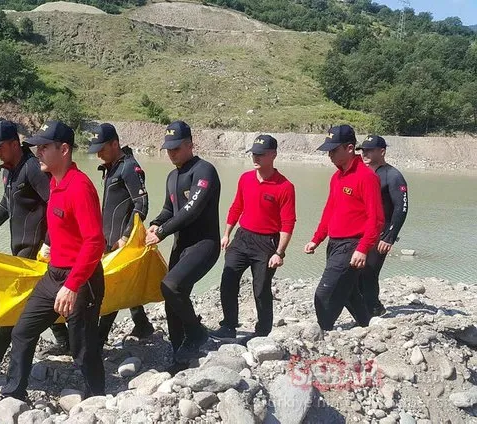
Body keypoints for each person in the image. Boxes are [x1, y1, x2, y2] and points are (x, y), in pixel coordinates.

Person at [1, 120, 106, 401]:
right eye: (37, 147)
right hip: (53, 275)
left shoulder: (79, 187)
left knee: (82, 347)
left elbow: (95, 242)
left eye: (44, 147)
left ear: (64, 149)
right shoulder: (55, 184)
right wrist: (48, 245)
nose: (38, 152)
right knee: (22, 332)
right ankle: (14, 394)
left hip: (81, 280)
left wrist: (72, 286)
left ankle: (98, 397)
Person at [0, 120, 70, 383]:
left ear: (14, 143)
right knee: (40, 301)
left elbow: (56, 204)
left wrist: (49, 243)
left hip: (35, 252)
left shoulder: (33, 168)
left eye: (0, 147)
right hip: (19, 249)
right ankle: (68, 342)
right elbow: (6, 204)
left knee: (12, 307)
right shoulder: (8, 171)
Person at [146, 120, 221, 370]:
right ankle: (179, 355)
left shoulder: (204, 171)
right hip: (182, 245)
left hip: (204, 244)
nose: (171, 153)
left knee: (171, 285)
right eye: (168, 149)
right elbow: (170, 209)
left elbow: (193, 209)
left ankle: (197, 333)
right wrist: (157, 223)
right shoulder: (172, 176)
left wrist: (164, 232)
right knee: (172, 300)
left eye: (176, 148)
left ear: (190, 144)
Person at [210, 135, 296, 341]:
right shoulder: (245, 178)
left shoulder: (285, 186)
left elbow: (288, 223)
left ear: (273, 155)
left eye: (260, 154)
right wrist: (226, 234)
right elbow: (236, 207)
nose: (255, 157)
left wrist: (279, 253)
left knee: (261, 289)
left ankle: (263, 331)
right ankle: (229, 325)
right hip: (242, 238)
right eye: (253, 153)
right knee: (228, 280)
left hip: (267, 243)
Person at [304, 125, 383, 331]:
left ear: (349, 148)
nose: (329, 155)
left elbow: (376, 218)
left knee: (324, 293)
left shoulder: (366, 177)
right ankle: (367, 326)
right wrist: (317, 238)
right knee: (348, 290)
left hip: (352, 245)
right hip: (335, 243)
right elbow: (329, 210)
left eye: (333, 150)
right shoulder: (337, 177)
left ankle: (323, 332)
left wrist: (363, 248)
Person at [88, 123, 155, 345]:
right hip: (107, 238)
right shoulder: (111, 166)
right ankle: (143, 325)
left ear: (115, 144)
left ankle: (99, 337)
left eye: (102, 148)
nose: (98, 153)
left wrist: (125, 237)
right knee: (124, 282)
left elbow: (142, 204)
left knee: (113, 286)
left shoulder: (129, 167)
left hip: (120, 240)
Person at [356, 135, 409, 316]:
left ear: (382, 151)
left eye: (369, 150)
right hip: (361, 231)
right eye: (363, 150)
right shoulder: (362, 173)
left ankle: (374, 309)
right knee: (356, 271)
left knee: (369, 272)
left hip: (381, 234)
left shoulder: (393, 176)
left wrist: (389, 237)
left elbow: (401, 208)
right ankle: (364, 308)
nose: (365, 153)